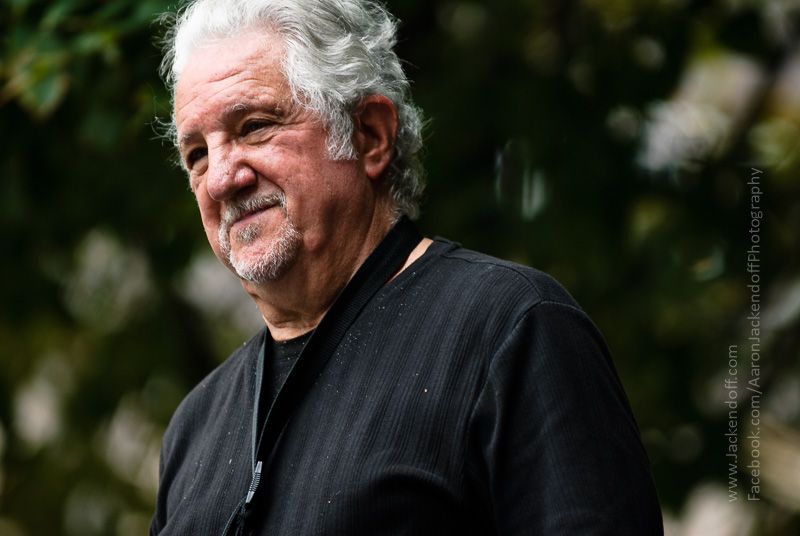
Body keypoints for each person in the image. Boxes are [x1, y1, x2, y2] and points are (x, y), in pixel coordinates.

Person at [151, 0, 664, 534]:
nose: (220, 180)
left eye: (255, 126)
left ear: (369, 135)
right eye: (197, 155)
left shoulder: (511, 331)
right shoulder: (194, 428)